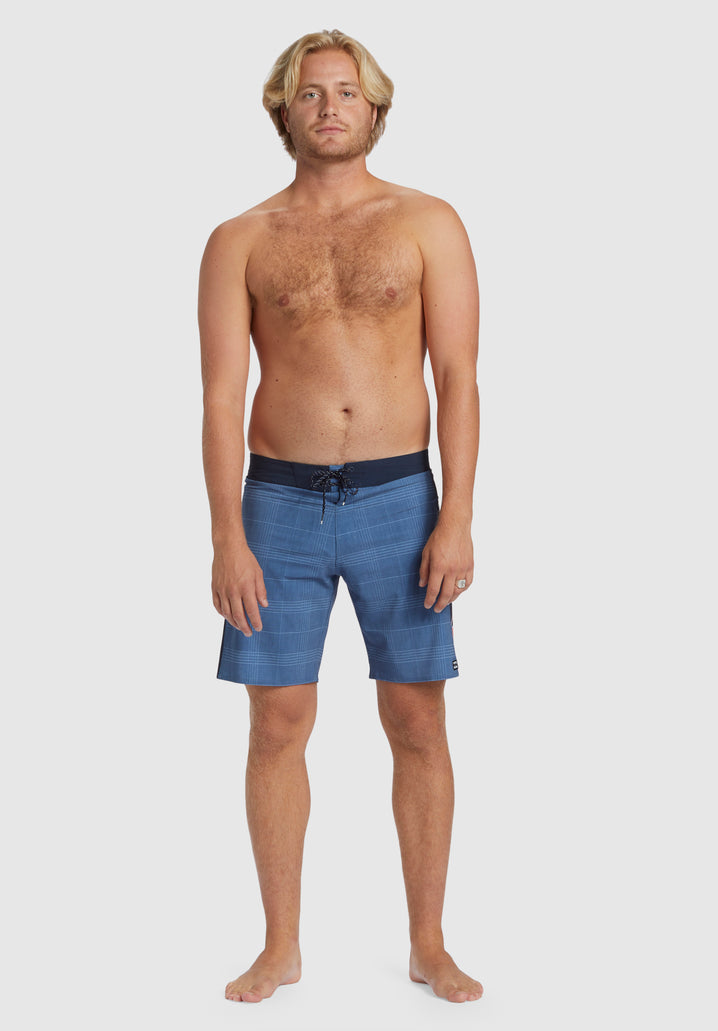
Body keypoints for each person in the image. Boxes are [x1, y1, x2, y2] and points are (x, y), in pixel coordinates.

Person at [198, 29, 482, 1005]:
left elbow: (458, 376)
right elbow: (219, 399)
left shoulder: (427, 222)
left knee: (417, 715)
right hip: (277, 503)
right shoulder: (239, 239)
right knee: (276, 721)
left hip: (400, 497)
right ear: (283, 109)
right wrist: (226, 536)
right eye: (312, 92)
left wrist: (457, 514)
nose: (330, 107)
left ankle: (429, 943)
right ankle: (280, 944)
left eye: (347, 92)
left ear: (375, 107)